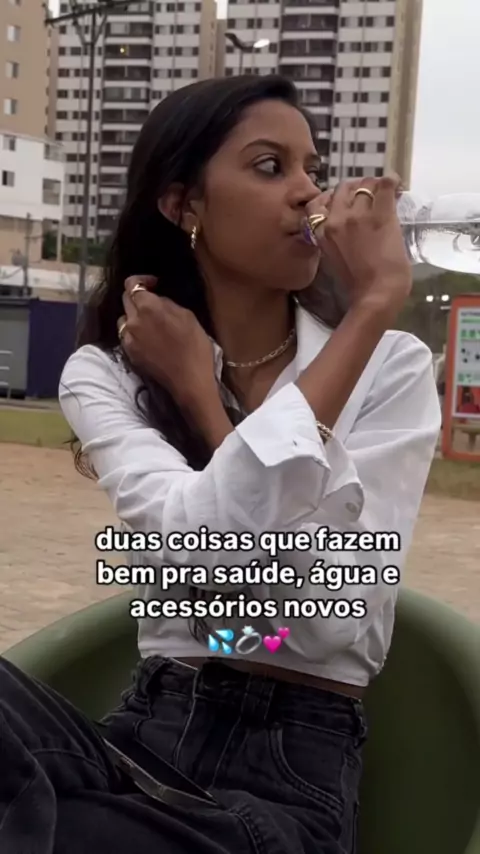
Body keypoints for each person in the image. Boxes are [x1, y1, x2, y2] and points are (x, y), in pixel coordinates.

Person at [0, 74, 441, 854]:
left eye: (312, 167)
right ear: (184, 205)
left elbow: (326, 618)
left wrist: (209, 403)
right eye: (271, 166)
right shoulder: (106, 374)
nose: (307, 192)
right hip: (142, 742)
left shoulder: (390, 365)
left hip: (286, 786)